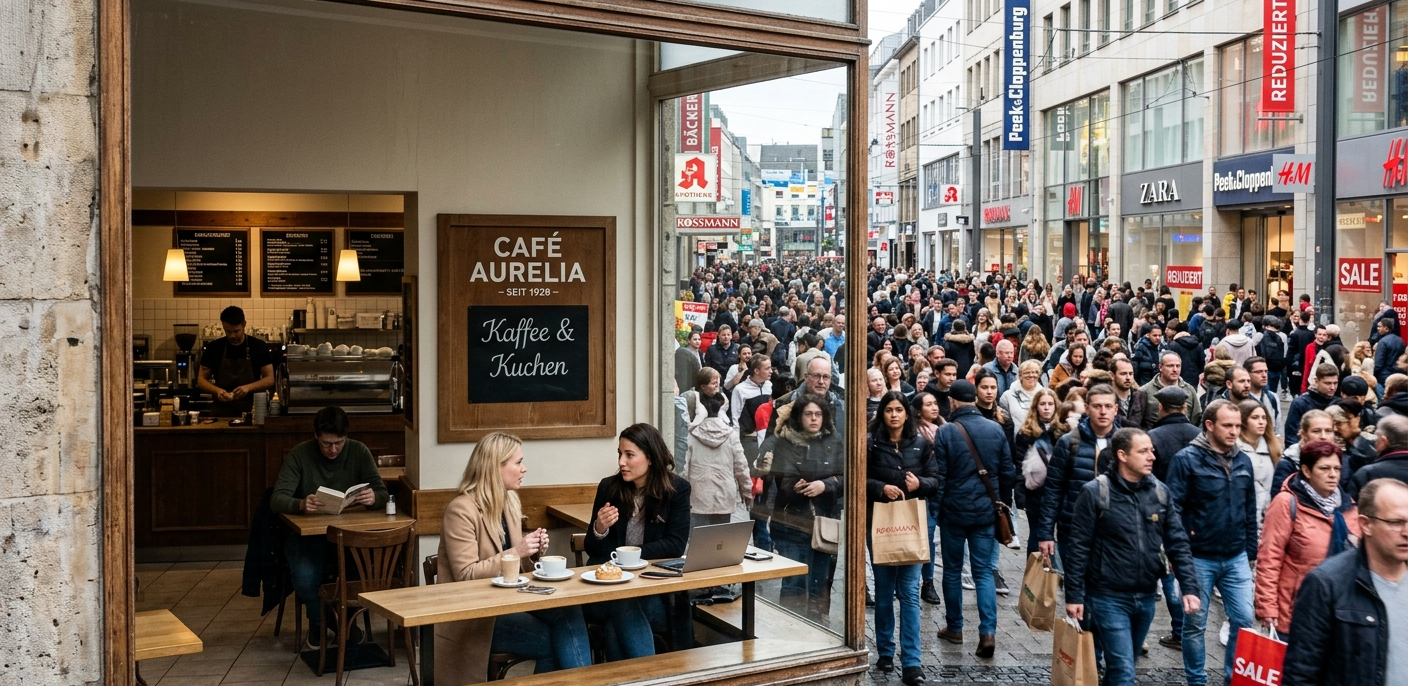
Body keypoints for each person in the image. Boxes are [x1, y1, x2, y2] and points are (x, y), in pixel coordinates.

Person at [436, 432, 591, 682]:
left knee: (570, 613)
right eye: (518, 462)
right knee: (554, 641)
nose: (524, 468)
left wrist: (533, 552)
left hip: (512, 601)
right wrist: (517, 551)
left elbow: (518, 569)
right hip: (478, 615)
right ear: (495, 467)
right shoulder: (460, 510)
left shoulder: (509, 501)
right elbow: (466, 575)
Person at [1061, 428, 1202, 686]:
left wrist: (1189, 588)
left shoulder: (1160, 492)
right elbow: (1078, 546)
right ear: (1122, 455)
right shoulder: (1095, 492)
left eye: (1152, 450)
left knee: (1121, 668)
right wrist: (1074, 596)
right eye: (1143, 451)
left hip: (1145, 596)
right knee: (1124, 670)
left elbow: (1177, 542)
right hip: (1107, 596)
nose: (1152, 457)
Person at [271, 406, 389, 649]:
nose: (333, 450)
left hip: (349, 535)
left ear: (346, 437)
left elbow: (382, 492)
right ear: (316, 436)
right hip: (308, 536)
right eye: (326, 444)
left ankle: (340, 622)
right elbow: (277, 499)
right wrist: (300, 504)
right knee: (305, 577)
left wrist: (373, 498)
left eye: (339, 443)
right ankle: (327, 623)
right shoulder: (300, 454)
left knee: (363, 574)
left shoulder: (358, 451)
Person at [1165, 399, 1260, 686]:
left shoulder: (1243, 460)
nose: (1234, 431)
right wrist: (1177, 553)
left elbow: (1249, 508)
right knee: (1195, 623)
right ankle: (1197, 680)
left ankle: (1232, 678)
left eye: (1238, 426)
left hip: (1235, 555)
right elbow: (1173, 510)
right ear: (1209, 425)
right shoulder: (1187, 459)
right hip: (1198, 556)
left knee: (1244, 619)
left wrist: (1251, 550)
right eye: (1227, 425)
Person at [1283, 479, 1408, 686]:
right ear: (1366, 524)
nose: (1406, 532)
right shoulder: (1326, 584)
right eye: (1396, 522)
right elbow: (1300, 674)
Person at [585, 424, 691, 660]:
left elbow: (675, 545)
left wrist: (627, 555)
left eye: (629, 455)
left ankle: (630, 677)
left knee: (615, 626)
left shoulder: (676, 490)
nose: (621, 462)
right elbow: (592, 550)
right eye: (620, 454)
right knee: (622, 602)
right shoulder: (609, 488)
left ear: (650, 458)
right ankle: (652, 677)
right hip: (607, 591)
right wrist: (599, 528)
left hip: (653, 592)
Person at [931, 380, 1014, 660]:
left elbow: (940, 476)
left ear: (953, 402)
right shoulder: (995, 429)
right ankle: (987, 632)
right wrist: (1001, 504)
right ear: (975, 399)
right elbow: (1007, 472)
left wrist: (936, 511)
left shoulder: (946, 431)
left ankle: (955, 628)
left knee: (953, 571)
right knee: (983, 572)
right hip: (985, 512)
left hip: (954, 512)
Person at [866, 391, 939, 685]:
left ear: (907, 413)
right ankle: (885, 651)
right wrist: (880, 488)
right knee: (884, 591)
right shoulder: (872, 443)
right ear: (882, 414)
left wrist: (920, 483)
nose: (894, 415)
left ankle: (912, 662)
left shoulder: (921, 443)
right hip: (881, 522)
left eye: (899, 410)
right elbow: (860, 479)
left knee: (909, 592)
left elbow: (936, 480)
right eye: (889, 410)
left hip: (911, 524)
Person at [1254, 440, 1361, 636]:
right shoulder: (1287, 503)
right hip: (1293, 612)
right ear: (1306, 470)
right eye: (1324, 468)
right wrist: (1267, 606)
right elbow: (1269, 557)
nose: (1333, 474)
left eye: (1337, 468)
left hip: (1334, 616)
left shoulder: (1348, 507)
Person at [766, 394, 845, 622]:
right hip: (792, 522)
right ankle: (790, 629)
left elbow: (846, 477)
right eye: (808, 414)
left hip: (824, 521)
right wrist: (797, 485)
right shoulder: (785, 441)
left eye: (818, 414)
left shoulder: (834, 441)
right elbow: (782, 481)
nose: (813, 419)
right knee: (794, 584)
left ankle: (817, 628)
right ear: (799, 416)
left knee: (819, 584)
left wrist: (825, 485)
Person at [1037, 385, 1120, 568]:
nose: (1103, 412)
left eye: (1108, 406)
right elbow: (1053, 490)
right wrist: (1046, 533)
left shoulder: (1125, 443)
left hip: (1113, 530)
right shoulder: (1069, 442)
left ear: (1116, 409)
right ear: (1087, 408)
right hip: (1074, 529)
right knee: (1074, 580)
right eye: (1097, 406)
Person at [1143, 386, 1201, 650]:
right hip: (1195, 514)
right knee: (1188, 569)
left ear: (1161, 408)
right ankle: (1185, 629)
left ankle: (1179, 628)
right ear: (1185, 407)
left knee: (1167, 572)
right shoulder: (1199, 436)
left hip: (1162, 512)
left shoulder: (1153, 437)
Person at [683, 390, 750, 529]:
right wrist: (746, 490)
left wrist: (681, 495)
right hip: (725, 495)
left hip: (697, 495)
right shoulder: (731, 435)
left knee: (697, 538)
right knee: (720, 538)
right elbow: (741, 466)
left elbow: (684, 468)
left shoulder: (691, 435)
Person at [197, 305, 274, 416]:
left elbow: (270, 379)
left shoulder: (258, 346)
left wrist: (248, 388)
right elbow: (201, 380)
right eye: (228, 331)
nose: (233, 336)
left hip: (251, 412)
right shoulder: (214, 348)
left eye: (236, 331)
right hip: (221, 411)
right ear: (223, 326)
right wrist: (217, 391)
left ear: (244, 324)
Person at [1016, 388, 1059, 556]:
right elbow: (1019, 464)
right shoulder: (1026, 432)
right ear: (1036, 406)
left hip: (1057, 488)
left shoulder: (1062, 431)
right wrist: (1021, 494)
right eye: (1043, 404)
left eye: (1050, 404)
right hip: (1035, 491)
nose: (1047, 408)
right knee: (1036, 533)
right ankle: (1034, 570)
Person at [1237, 399, 1284, 528]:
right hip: (1244, 519)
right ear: (1243, 421)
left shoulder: (1273, 448)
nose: (1261, 422)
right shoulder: (1234, 449)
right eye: (1255, 418)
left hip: (1268, 517)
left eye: (1264, 418)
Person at [1347, 414, 1408, 500]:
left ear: (1383, 441)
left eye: (1377, 439)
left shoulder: (1367, 474)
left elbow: (1352, 506)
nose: (1375, 443)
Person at [1275, 409, 1338, 488]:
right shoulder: (1288, 464)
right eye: (1316, 431)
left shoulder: (1338, 461)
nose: (1323, 436)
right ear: (1303, 434)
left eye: (1328, 431)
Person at [1141, 351, 1203, 426]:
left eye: (1178, 366)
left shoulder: (1189, 390)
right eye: (1170, 366)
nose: (1175, 370)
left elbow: (1196, 417)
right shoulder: (1145, 391)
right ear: (1160, 367)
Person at [1287, 363, 1340, 445]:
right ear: (1316, 381)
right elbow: (1291, 436)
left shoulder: (1339, 403)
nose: (1332, 387)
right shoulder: (1300, 403)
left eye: (1335, 383)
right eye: (1328, 383)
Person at [1110, 357, 1152, 430]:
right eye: (1123, 374)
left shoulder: (1141, 396)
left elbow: (1148, 425)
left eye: (1131, 374)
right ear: (1112, 375)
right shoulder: (1106, 398)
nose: (1128, 378)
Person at [999, 360, 1042, 431]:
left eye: (1035, 372)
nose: (1031, 375)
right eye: (1027, 372)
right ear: (1020, 376)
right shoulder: (1008, 396)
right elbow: (1004, 421)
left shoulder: (1044, 396)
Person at [1245, 357, 1283, 434]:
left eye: (1266, 371)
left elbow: (1277, 429)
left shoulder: (1273, 397)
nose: (1264, 375)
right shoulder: (1240, 398)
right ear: (1247, 374)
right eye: (1259, 372)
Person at [674, 330, 704, 396]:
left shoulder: (700, 353)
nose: (697, 341)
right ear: (689, 341)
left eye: (699, 339)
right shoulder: (684, 355)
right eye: (695, 339)